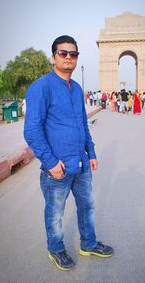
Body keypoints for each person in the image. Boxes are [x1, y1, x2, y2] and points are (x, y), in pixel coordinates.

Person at [24, 35, 113, 271]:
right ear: (53, 56)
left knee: (87, 206)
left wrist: (91, 153)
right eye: (63, 53)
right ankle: (55, 249)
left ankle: (89, 243)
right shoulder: (41, 87)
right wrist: (50, 162)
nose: (68, 58)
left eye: (73, 54)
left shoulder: (77, 89)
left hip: (81, 164)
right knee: (55, 213)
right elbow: (32, 131)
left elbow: (83, 124)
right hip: (58, 168)